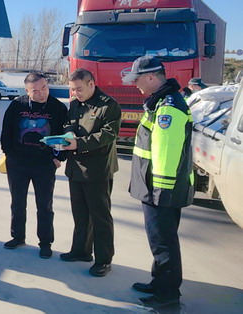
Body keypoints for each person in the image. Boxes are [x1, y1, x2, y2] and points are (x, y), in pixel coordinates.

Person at [122, 56, 194, 309]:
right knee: (159, 239)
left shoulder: (168, 107)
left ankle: (167, 296)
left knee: (163, 242)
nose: (135, 85)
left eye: (137, 79)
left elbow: (166, 151)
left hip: (161, 188)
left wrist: (161, 190)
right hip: (156, 186)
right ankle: (159, 282)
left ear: (151, 77)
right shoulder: (162, 102)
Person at [0, 72, 68, 259]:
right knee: (17, 203)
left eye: (44, 87)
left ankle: (45, 243)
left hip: (44, 165)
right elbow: (6, 132)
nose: (41, 93)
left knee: (44, 205)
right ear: (27, 91)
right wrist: (9, 155)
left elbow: (65, 135)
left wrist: (59, 158)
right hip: (18, 163)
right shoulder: (17, 105)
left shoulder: (57, 107)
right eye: (35, 91)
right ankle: (18, 237)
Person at [61, 68, 121, 277]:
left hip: (97, 169)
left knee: (100, 216)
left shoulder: (108, 105)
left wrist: (78, 143)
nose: (75, 93)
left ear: (91, 84)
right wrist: (68, 134)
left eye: (79, 89)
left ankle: (103, 260)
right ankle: (81, 250)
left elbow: (108, 135)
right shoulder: (75, 104)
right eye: (72, 89)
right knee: (80, 213)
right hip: (76, 166)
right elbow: (68, 123)